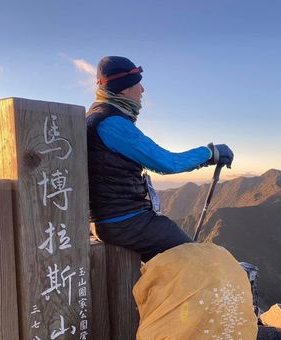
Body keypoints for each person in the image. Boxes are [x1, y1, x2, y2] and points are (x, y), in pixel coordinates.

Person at [86, 56, 234, 262]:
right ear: (123, 89)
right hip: (125, 221)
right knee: (200, 260)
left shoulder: (97, 116)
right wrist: (209, 153)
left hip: (111, 220)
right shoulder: (112, 123)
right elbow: (166, 162)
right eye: (138, 83)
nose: (143, 90)